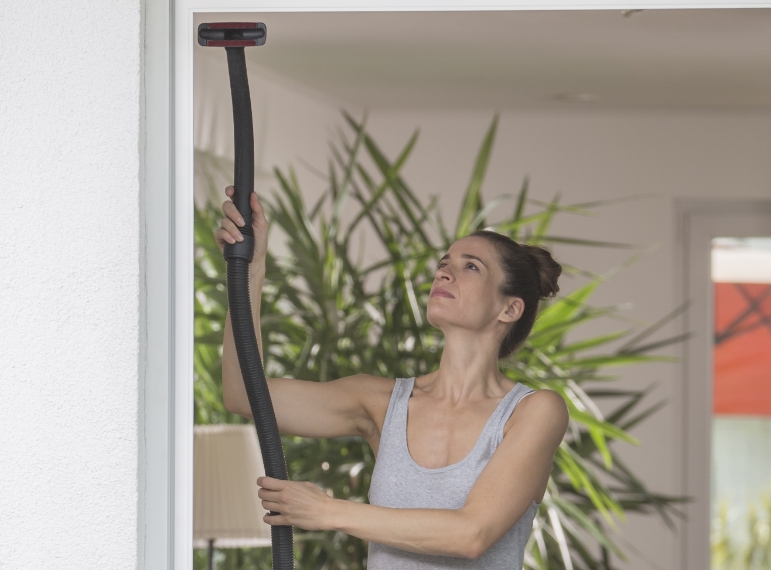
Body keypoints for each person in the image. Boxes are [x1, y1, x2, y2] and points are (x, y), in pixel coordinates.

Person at [216, 185, 570, 569]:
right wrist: (250, 271)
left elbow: (472, 534)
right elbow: (242, 394)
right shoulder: (381, 402)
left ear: (510, 308)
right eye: (443, 263)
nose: (445, 272)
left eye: (471, 267)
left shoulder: (532, 412)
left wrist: (326, 511)